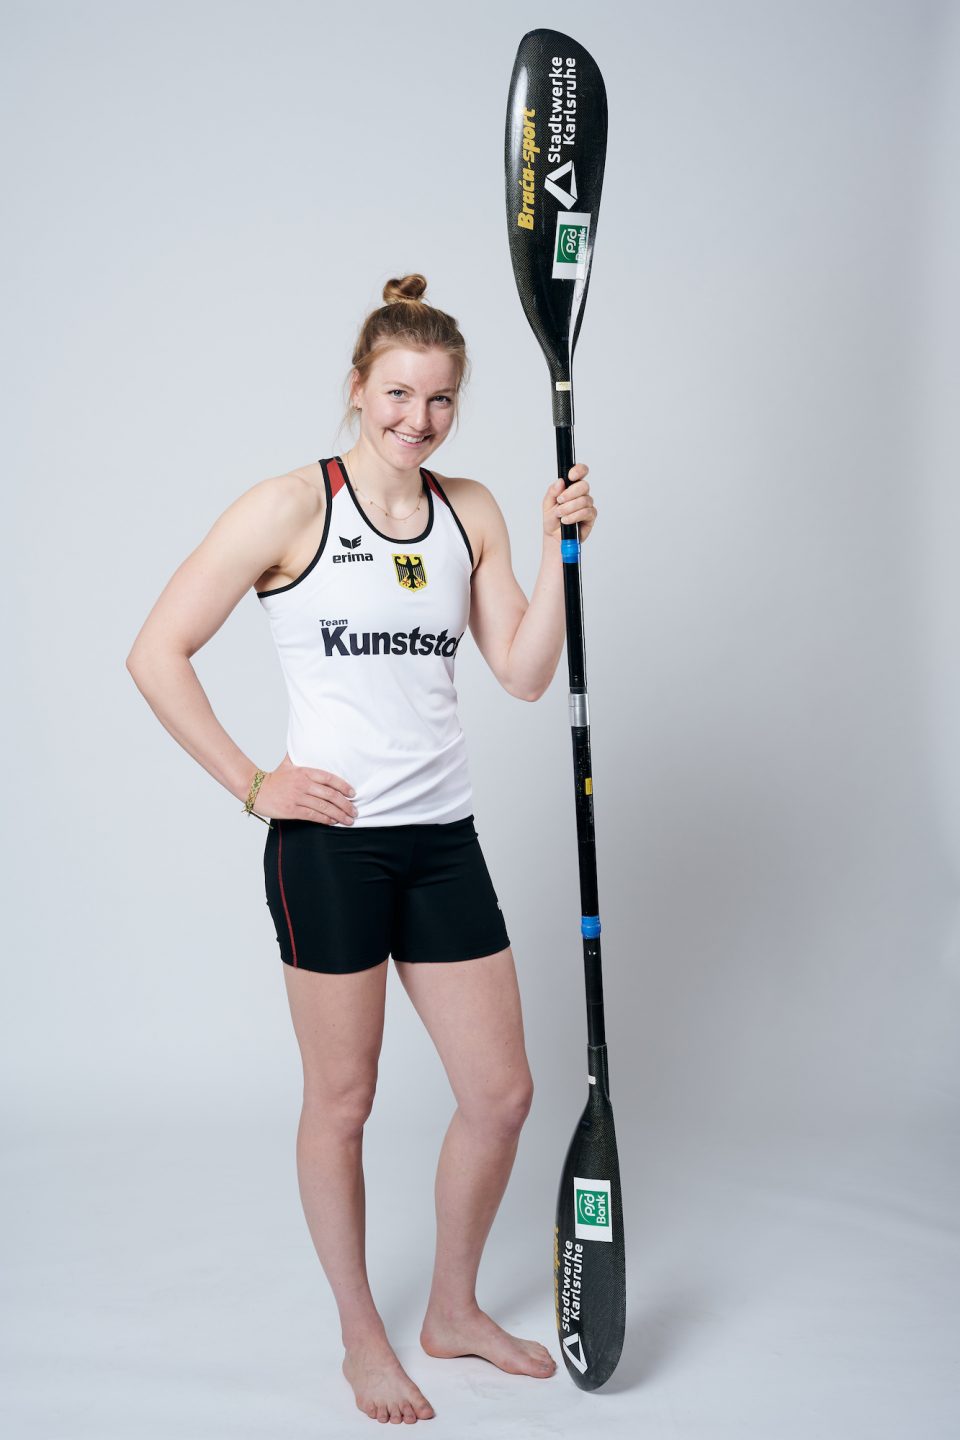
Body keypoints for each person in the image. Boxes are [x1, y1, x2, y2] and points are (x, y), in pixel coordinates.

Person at [125, 272, 597, 1425]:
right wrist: (256, 785)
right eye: (396, 394)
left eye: (438, 400)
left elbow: (524, 673)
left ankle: (453, 1310)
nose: (416, 420)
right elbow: (155, 652)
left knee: (502, 1095)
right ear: (356, 387)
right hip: (329, 852)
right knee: (344, 1102)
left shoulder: (469, 511)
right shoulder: (290, 506)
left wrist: (559, 549)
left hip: (442, 843)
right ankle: (359, 1338)